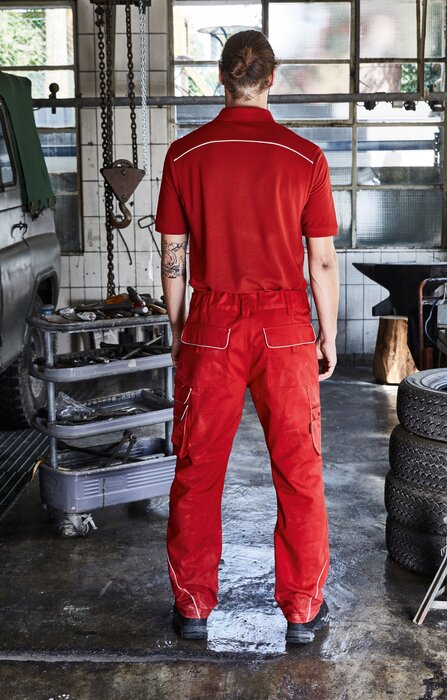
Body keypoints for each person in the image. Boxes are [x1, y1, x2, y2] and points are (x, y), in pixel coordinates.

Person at [155, 29, 339, 645]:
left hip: (210, 326)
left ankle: (192, 607)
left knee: (198, 468)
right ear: (271, 80)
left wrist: (180, 327)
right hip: (285, 328)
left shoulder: (185, 155)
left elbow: (173, 256)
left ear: (221, 78)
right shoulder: (305, 157)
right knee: (299, 471)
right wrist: (327, 335)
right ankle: (302, 611)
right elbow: (322, 261)